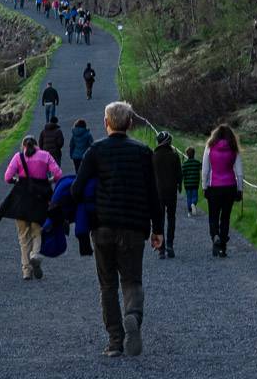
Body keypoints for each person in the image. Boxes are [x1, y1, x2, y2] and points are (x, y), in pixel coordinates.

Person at [71, 102, 164, 358]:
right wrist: (158, 229)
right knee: (132, 280)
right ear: (130, 123)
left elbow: (76, 189)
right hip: (134, 228)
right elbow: (153, 195)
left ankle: (114, 340)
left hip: (103, 227)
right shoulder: (144, 152)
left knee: (108, 285)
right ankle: (132, 315)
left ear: (106, 123)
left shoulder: (95, 151)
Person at [3, 136, 63, 280]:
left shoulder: (18, 157)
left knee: (23, 237)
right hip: (39, 201)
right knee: (37, 232)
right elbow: (59, 175)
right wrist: (49, 180)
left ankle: (26, 271)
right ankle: (35, 255)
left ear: (23, 145)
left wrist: (17, 179)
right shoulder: (45, 156)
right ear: (36, 144)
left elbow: (7, 177)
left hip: (22, 201)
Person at [202, 124, 243, 257]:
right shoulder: (233, 149)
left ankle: (215, 236)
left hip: (214, 186)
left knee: (213, 216)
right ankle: (223, 247)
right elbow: (239, 173)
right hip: (230, 186)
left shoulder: (209, 147)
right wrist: (240, 189)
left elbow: (205, 170)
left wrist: (204, 186)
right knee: (225, 217)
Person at [152, 131, 182, 259]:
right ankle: (170, 244)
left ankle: (161, 249)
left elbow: (150, 176)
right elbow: (179, 174)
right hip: (171, 192)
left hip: (158, 192)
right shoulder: (174, 156)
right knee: (171, 218)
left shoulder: (153, 156)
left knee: (159, 220)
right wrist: (179, 185)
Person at [182, 147, 202, 216]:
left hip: (187, 184)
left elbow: (182, 174)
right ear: (194, 154)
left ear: (187, 155)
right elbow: (201, 167)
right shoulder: (197, 163)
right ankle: (193, 203)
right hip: (195, 183)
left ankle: (189, 211)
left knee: (188, 197)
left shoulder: (185, 164)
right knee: (195, 196)